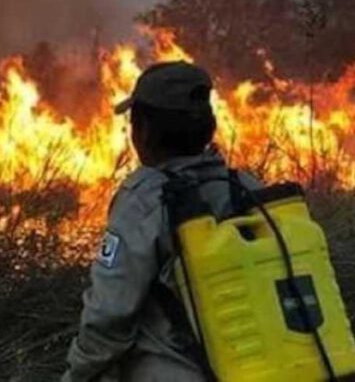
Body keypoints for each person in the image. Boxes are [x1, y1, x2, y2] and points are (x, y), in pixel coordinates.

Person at [62, 61, 261, 382]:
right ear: (208, 126)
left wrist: (77, 375)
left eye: (133, 122)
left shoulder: (143, 201)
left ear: (144, 130)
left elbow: (109, 315)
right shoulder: (247, 187)